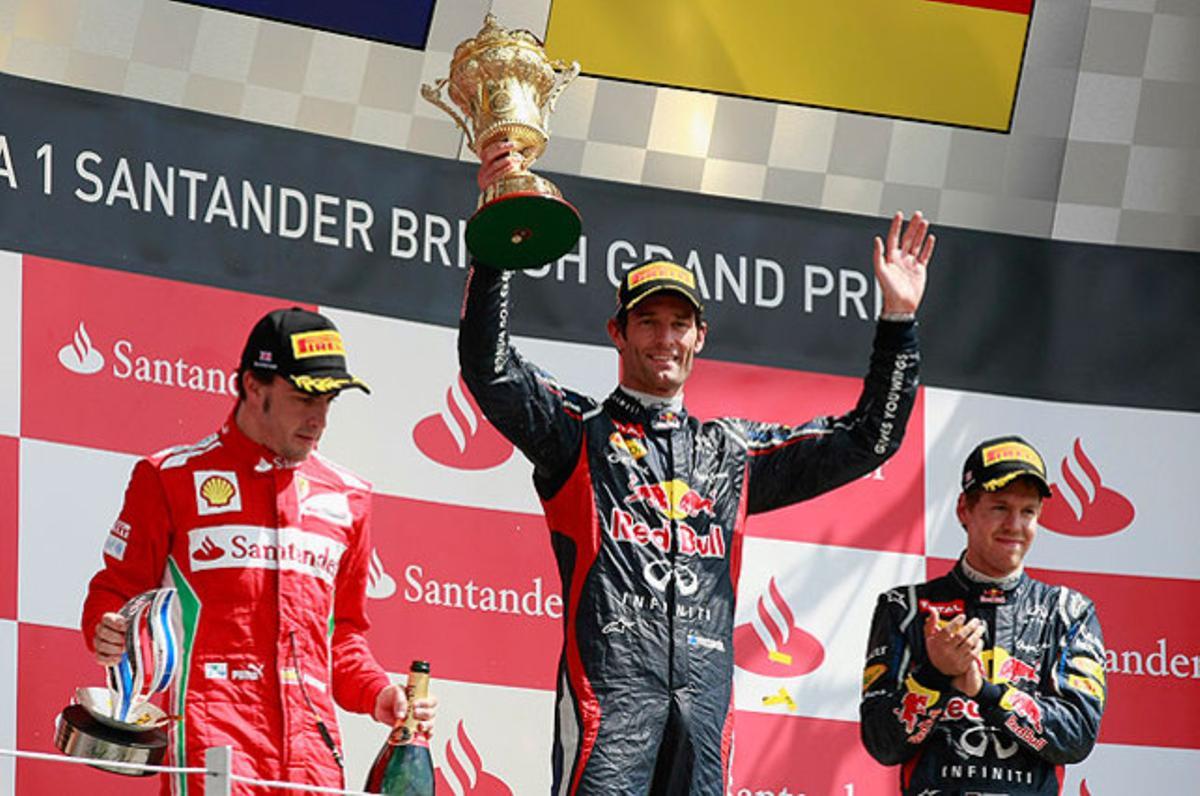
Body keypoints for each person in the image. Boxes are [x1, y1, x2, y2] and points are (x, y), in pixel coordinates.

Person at [458, 140, 933, 794]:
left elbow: (866, 441)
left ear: (700, 336)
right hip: (609, 701)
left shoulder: (732, 454)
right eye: (647, 321)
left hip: (705, 708)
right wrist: (496, 247)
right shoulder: (577, 436)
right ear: (616, 332)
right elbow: (491, 371)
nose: (664, 338)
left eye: (679, 323)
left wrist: (899, 323)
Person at [81, 308, 436, 794]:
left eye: (329, 402)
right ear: (253, 386)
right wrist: (107, 631)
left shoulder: (350, 497)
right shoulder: (169, 477)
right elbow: (116, 593)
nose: (319, 420)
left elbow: (342, 639)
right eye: (302, 400)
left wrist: (381, 694)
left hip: (314, 753)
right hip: (215, 740)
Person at [860, 435, 1107, 795]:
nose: (1015, 525)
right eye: (999, 507)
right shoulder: (905, 608)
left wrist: (988, 694)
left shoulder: (1069, 613)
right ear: (964, 509)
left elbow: (1076, 738)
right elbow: (882, 743)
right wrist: (933, 676)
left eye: (1028, 511)